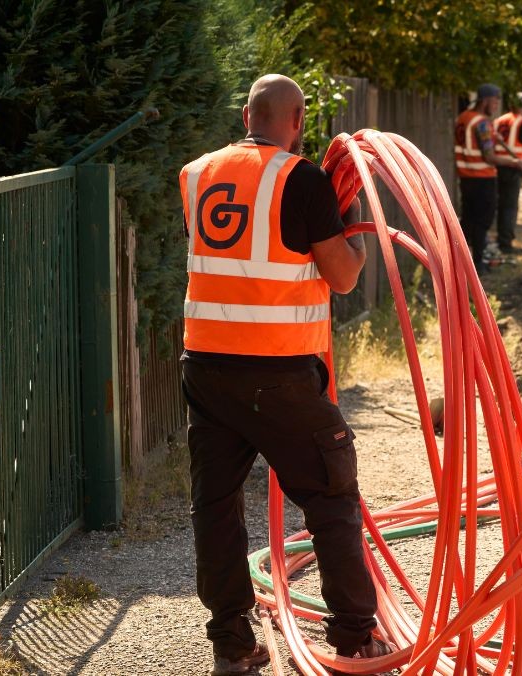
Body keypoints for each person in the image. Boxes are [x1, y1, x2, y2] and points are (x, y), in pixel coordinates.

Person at [179, 74, 395, 675]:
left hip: (205, 366)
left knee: (215, 506)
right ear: (297, 121)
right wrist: (351, 222)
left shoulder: (196, 174)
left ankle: (233, 646)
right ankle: (355, 638)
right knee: (331, 492)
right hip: (276, 371)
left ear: (246, 113)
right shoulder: (301, 180)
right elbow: (344, 276)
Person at [455, 83, 522, 274]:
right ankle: (477, 263)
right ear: (485, 100)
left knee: (468, 220)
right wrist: (514, 162)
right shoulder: (482, 123)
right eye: (495, 101)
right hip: (482, 179)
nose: (496, 105)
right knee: (482, 221)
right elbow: (489, 157)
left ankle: (461, 262)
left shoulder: (463, 118)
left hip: (466, 177)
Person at [492, 92, 522, 254]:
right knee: (509, 207)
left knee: (499, 205)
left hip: (496, 166)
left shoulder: (498, 121)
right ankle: (505, 243)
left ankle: (501, 239)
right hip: (512, 168)